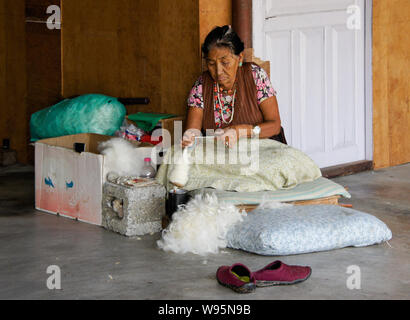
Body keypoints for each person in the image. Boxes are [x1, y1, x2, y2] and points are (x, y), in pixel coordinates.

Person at [182, 25, 286, 148]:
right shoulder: (201, 86)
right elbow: (193, 132)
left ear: (240, 58)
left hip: (263, 152)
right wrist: (190, 139)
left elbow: (274, 125)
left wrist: (241, 131)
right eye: (211, 63)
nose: (218, 71)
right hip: (222, 157)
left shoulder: (255, 76)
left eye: (225, 63)